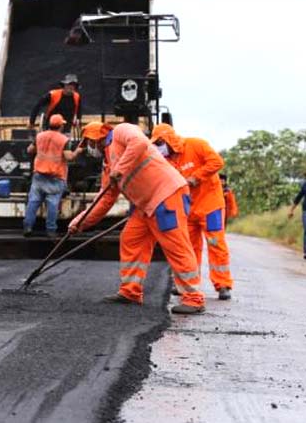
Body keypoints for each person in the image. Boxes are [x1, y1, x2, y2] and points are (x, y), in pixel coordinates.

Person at [68, 120, 206, 315]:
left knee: (176, 245)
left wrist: (121, 169)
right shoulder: (108, 163)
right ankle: (130, 291)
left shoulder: (122, 131)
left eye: (88, 144)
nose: (88, 149)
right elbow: (105, 199)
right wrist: (79, 223)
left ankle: (193, 298)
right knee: (131, 239)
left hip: (166, 195)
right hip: (145, 205)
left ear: (94, 138)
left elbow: (140, 143)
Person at [151, 124, 234, 300]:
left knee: (215, 243)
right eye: (155, 144)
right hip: (187, 208)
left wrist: (196, 177)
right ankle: (189, 285)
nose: (158, 147)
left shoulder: (196, 145)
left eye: (160, 142)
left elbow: (217, 162)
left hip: (211, 206)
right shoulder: (165, 161)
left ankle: (223, 285)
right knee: (188, 247)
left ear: (169, 139)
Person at [23, 114, 85, 237]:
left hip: (39, 176)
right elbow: (69, 157)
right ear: (61, 126)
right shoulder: (63, 140)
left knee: (33, 202)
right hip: (55, 177)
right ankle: (51, 230)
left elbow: (29, 150)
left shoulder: (39, 136)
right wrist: (78, 151)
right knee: (52, 203)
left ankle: (28, 227)